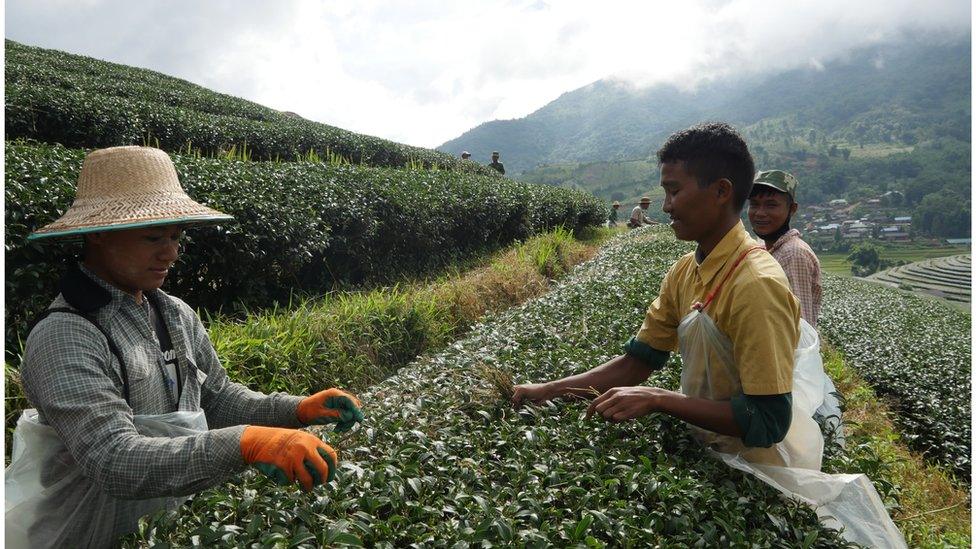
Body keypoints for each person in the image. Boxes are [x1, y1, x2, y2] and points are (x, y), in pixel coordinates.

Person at [7, 146, 365, 548]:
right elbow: (113, 460)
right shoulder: (66, 336)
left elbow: (217, 399)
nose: (172, 253)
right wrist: (247, 443)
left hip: (160, 531)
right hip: (81, 534)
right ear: (98, 233)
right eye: (153, 237)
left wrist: (297, 410)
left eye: (176, 237)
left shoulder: (173, 313)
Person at [512, 122, 812, 468]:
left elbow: (767, 422)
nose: (667, 207)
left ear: (721, 191)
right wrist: (548, 390)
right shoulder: (685, 271)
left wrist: (659, 398)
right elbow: (637, 363)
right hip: (706, 447)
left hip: (755, 465)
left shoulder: (757, 285)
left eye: (674, 191)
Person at [747, 170, 822, 327]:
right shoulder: (765, 250)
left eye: (771, 205)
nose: (760, 213)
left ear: (792, 209)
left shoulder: (793, 254)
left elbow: (801, 325)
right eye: (754, 204)